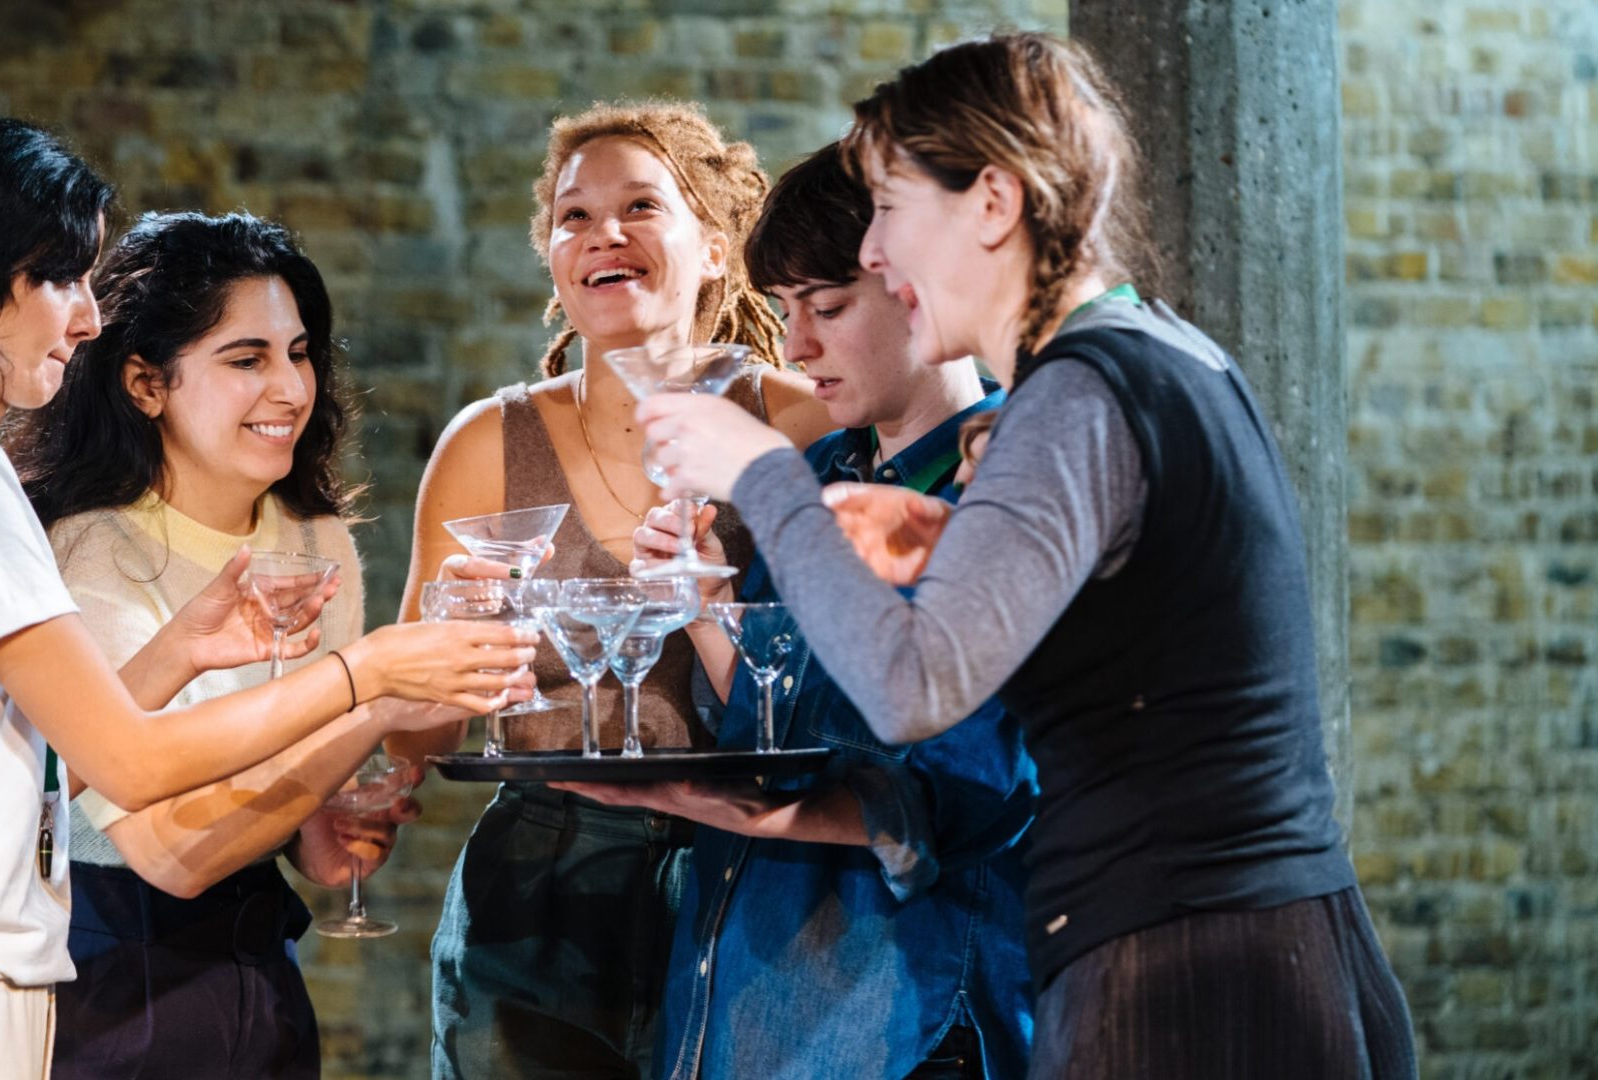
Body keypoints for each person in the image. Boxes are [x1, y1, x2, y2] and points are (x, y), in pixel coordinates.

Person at [632, 35, 1418, 1080]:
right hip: (1276, 945)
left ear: (993, 203)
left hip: (1179, 974)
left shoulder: (1073, 395)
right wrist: (950, 542)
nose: (872, 253)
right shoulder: (1167, 349)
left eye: (892, 207)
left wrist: (766, 481)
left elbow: (913, 690)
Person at [0, 118, 536, 1080]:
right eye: (65, 280)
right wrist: (367, 672)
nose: (87, 319)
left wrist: (180, 651)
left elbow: (41, 771)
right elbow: (129, 764)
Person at [566, 144, 1036, 1080]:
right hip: (744, 999)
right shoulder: (818, 474)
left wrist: (709, 801)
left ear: (918, 286)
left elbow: (969, 794)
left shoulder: (1008, 473)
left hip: (901, 1017)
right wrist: (709, 607)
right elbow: (780, 720)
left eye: (825, 308)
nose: (796, 347)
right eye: (785, 313)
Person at [391, 101, 830, 1078]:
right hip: (538, 887)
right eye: (574, 217)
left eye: (640, 206)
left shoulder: (798, 425)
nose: (604, 236)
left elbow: (848, 670)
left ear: (715, 249)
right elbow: (413, 734)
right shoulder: (484, 446)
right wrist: (445, 632)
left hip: (753, 869)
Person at [8, 210, 437, 1078]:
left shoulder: (318, 542)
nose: (289, 388)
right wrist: (378, 695)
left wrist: (330, 830)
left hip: (261, 979)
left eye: (300, 352)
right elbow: (170, 855)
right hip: (110, 983)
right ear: (145, 383)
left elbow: (295, 816)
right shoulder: (93, 552)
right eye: (246, 359)